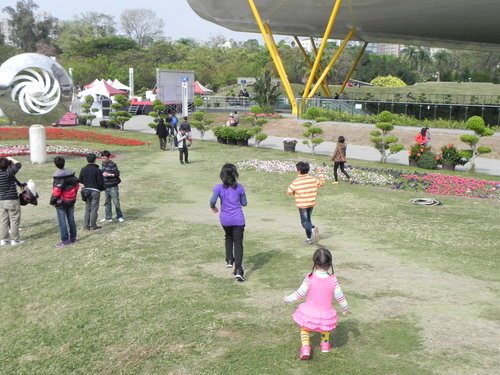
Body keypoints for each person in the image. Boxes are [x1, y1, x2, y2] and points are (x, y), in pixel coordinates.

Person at [284, 248, 349, 360]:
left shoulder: (309, 278)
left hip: (309, 313)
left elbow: (300, 293)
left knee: (304, 329)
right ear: (330, 265)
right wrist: (345, 307)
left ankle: (305, 347)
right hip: (325, 314)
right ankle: (325, 346)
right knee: (325, 328)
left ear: (314, 263)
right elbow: (340, 296)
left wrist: (288, 299)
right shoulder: (333, 280)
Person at [210, 163, 247, 281]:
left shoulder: (218, 188)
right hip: (238, 220)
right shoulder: (240, 187)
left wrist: (214, 208)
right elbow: (244, 203)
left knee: (228, 237)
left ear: (222, 175)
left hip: (225, 219)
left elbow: (212, 201)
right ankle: (238, 269)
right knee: (238, 243)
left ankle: (229, 259)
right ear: (235, 174)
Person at [287, 161, 325, 244]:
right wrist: (321, 172)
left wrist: (294, 193)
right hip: (311, 203)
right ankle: (309, 238)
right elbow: (322, 182)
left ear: (299, 171)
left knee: (304, 223)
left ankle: (312, 229)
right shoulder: (313, 179)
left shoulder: (296, 182)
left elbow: (289, 191)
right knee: (308, 220)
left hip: (302, 205)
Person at [50, 156, 80, 247]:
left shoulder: (58, 176)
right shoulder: (71, 174)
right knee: (71, 219)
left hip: (61, 202)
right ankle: (73, 238)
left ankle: (65, 240)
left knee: (62, 221)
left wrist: (52, 201)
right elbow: (77, 186)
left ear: (55, 165)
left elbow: (56, 191)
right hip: (71, 199)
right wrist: (73, 194)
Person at [0, 156, 23, 245]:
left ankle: (4, 240)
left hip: (1, 200)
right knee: (14, 219)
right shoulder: (8, 173)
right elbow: (18, 164)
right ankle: (15, 240)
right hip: (12, 200)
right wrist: (10, 158)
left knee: (3, 220)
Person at [79, 153, 104, 230]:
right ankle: (93, 225)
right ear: (95, 160)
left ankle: (86, 226)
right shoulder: (98, 170)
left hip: (86, 191)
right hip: (95, 191)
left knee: (87, 209)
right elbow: (100, 183)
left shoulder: (83, 169)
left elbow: (80, 180)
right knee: (94, 209)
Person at [100, 151, 124, 223]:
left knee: (116, 202)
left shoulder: (113, 164)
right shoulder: (102, 164)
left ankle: (119, 216)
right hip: (106, 186)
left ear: (108, 157)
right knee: (107, 202)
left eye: (105, 158)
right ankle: (108, 217)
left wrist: (109, 175)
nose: (104, 159)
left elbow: (117, 174)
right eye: (102, 158)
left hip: (113, 186)